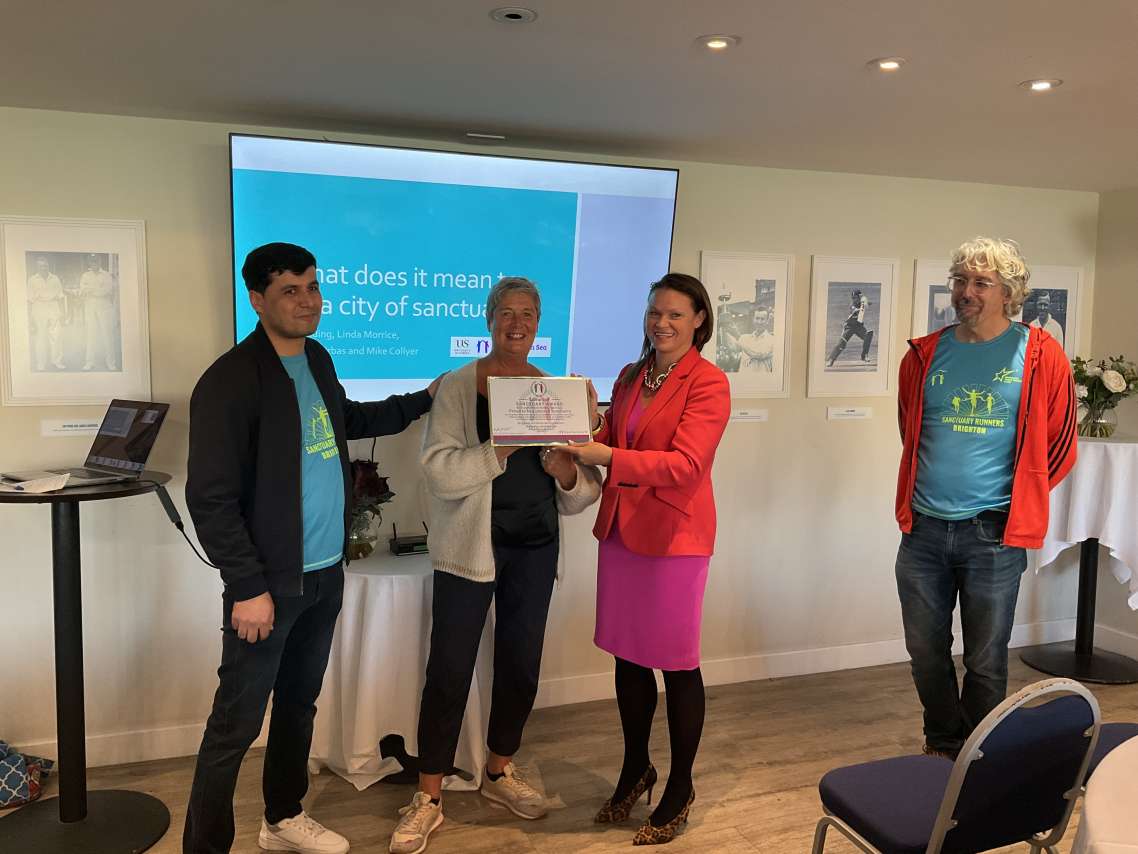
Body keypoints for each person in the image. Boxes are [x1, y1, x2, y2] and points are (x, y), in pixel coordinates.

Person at [184, 242, 441, 854]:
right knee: (235, 725)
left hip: (326, 573)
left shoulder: (317, 358)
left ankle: (282, 818)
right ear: (257, 300)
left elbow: (346, 419)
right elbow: (210, 500)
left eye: (312, 287)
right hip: (268, 585)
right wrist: (247, 586)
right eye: (289, 291)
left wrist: (425, 398)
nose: (307, 301)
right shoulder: (229, 381)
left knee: (299, 705)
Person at [388, 277, 601, 854]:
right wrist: (500, 448)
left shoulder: (557, 390)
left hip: (536, 547)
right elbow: (437, 470)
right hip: (470, 550)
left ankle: (499, 771)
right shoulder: (459, 386)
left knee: (521, 665)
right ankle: (429, 795)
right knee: (450, 669)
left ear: (539, 323)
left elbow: (582, 490)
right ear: (488, 320)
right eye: (505, 312)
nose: (517, 323)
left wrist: (563, 469)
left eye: (527, 314)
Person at [562, 273, 731, 846]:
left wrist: (607, 452)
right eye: (655, 312)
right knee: (629, 658)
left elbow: (685, 466)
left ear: (699, 320)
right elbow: (609, 434)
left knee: (678, 664)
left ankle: (679, 786)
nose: (661, 323)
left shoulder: (708, 384)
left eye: (675, 315)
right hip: (622, 534)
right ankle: (637, 768)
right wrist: (581, 420)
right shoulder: (633, 376)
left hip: (674, 540)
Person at [894, 237, 1076, 759]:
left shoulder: (1040, 355)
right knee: (924, 650)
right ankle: (943, 740)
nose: (965, 291)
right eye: (959, 280)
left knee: (986, 657)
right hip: (923, 529)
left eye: (980, 282)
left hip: (993, 533)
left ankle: (976, 753)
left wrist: (1019, 497)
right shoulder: (926, 353)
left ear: (1009, 292)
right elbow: (911, 430)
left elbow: (1059, 446)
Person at [77, 253, 118, 370]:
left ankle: (111, 362)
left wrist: (92, 290)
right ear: (89, 263)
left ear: (100, 262)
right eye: (91, 261)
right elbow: (83, 290)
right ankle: (90, 362)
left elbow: (108, 290)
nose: (94, 263)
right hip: (90, 306)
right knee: (91, 334)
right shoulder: (85, 275)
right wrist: (96, 290)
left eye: (96, 261)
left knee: (107, 335)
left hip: (104, 306)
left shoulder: (106, 275)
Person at [27, 256, 65, 370]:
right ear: (37, 267)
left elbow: (61, 297)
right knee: (40, 337)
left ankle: (56, 361)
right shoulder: (32, 280)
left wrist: (63, 313)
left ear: (48, 266)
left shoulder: (55, 278)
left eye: (45, 265)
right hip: (39, 307)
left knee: (57, 335)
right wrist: (30, 318)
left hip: (53, 306)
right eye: (41, 266)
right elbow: (29, 300)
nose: (44, 268)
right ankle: (41, 363)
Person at [827, 288, 874, 367]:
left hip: (859, 326)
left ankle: (864, 356)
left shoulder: (862, 302)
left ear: (859, 297)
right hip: (849, 326)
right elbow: (854, 310)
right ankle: (831, 359)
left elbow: (868, 303)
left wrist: (866, 303)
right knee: (842, 343)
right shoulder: (852, 305)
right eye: (853, 298)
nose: (854, 299)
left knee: (868, 335)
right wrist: (861, 308)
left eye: (856, 297)